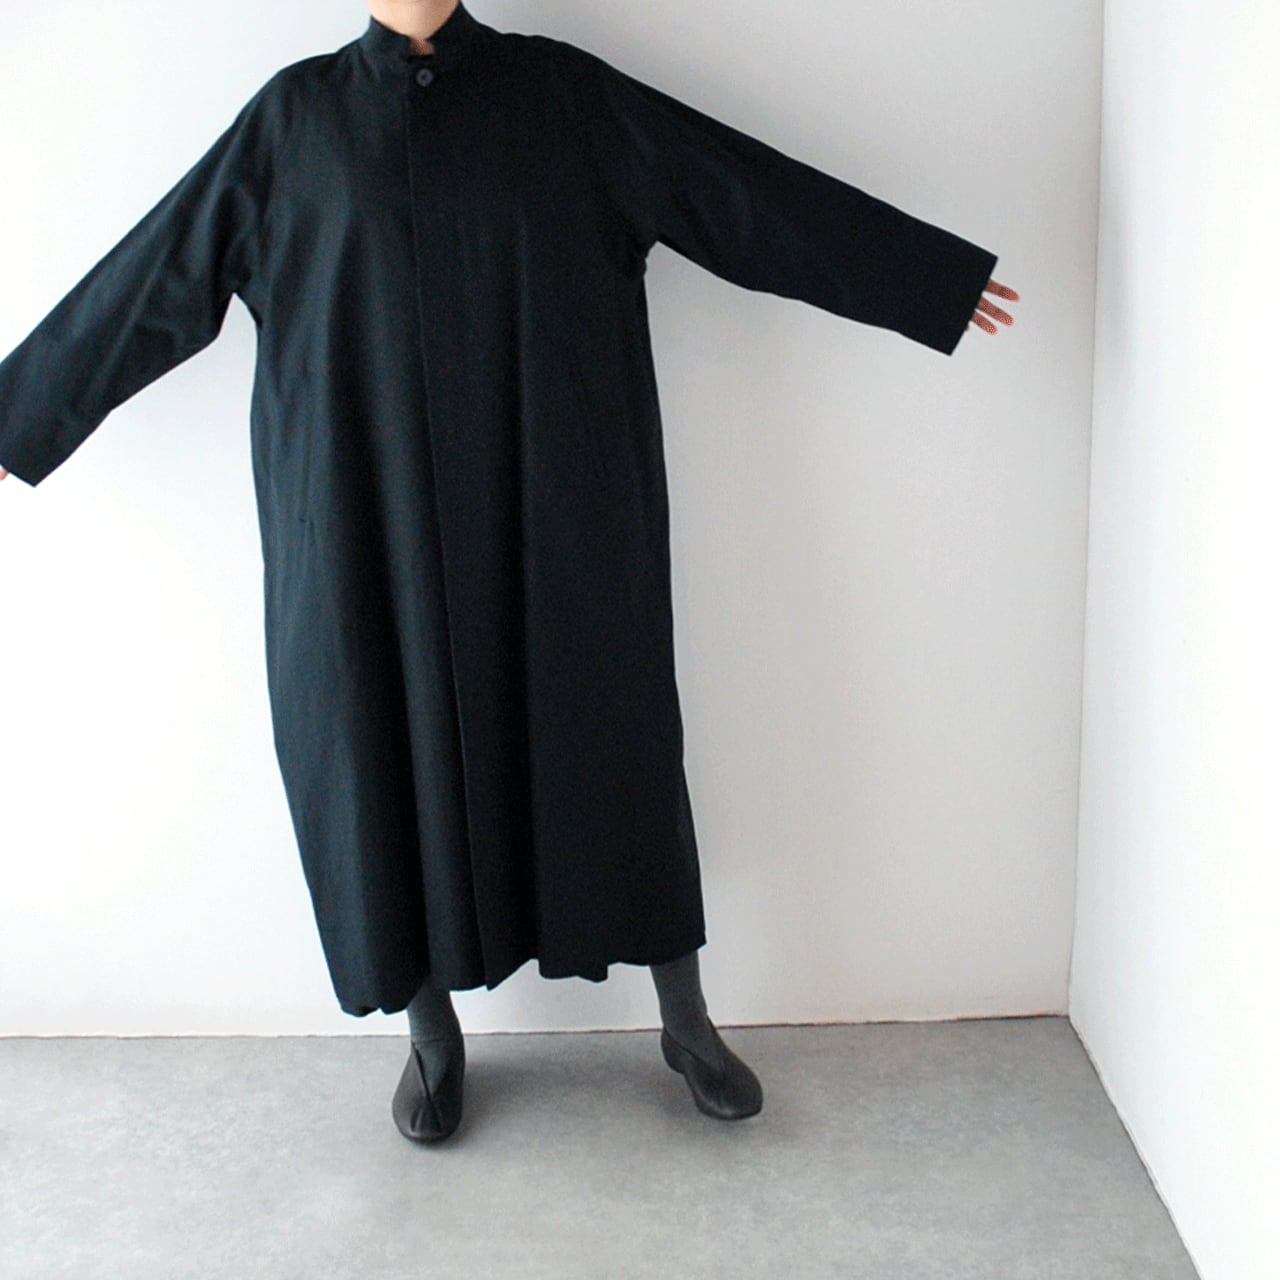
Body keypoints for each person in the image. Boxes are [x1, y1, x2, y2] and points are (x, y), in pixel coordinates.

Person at [0, 0, 1018, 1144]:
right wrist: (17, 414)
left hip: (556, 505)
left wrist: (920, 277)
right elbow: (152, 281)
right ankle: (431, 1035)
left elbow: (733, 194)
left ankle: (684, 1019)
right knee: (371, 752)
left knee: (611, 741)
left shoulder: (560, 99)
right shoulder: (294, 124)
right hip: (361, 517)